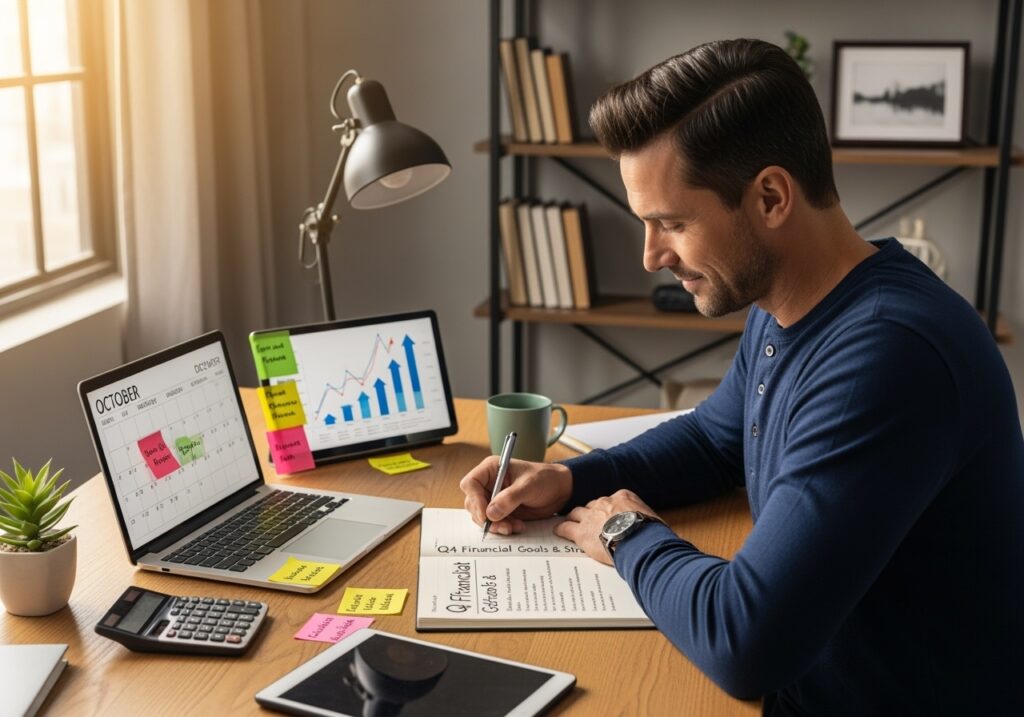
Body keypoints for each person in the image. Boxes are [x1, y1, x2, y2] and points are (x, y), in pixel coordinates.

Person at [461, 38, 1024, 715]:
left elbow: (746, 642)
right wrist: (571, 480)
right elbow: (715, 439)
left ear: (771, 197)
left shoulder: (888, 357)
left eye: (671, 222)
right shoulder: (790, 299)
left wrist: (626, 534)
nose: (649, 256)